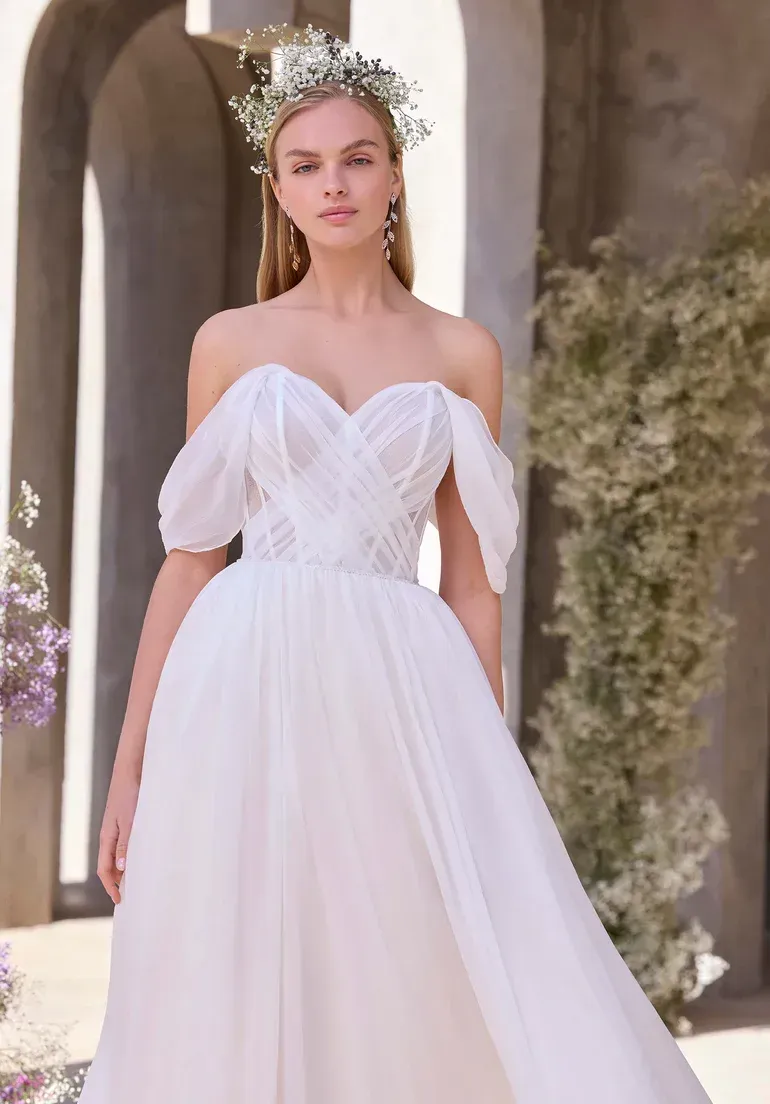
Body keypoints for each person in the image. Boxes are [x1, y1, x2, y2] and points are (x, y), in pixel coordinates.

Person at [77, 25, 714, 1104]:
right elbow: (189, 562)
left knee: (408, 948)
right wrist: (129, 763)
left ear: (393, 176)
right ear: (277, 191)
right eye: (305, 165)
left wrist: (485, 765)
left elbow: (470, 581)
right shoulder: (229, 341)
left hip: (400, 684)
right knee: (240, 941)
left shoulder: (461, 353)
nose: (333, 185)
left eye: (356, 158)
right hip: (243, 679)